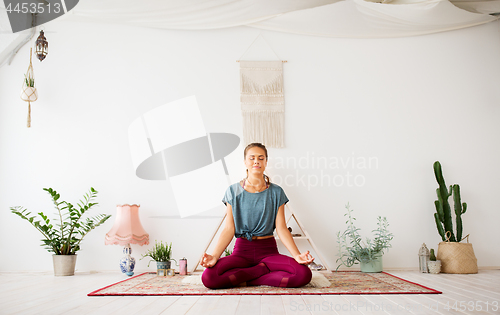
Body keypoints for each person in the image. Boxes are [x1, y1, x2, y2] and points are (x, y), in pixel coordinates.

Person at [200, 142, 314, 289]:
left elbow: (282, 228)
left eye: (261, 158)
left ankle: (248, 277)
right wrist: (214, 256)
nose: (256, 161)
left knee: (303, 275)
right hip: (241, 252)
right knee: (209, 278)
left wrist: (297, 255)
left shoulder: (276, 192)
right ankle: (261, 271)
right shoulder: (233, 191)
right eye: (252, 157)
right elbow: (229, 229)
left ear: (266, 162)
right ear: (245, 162)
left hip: (268, 252)